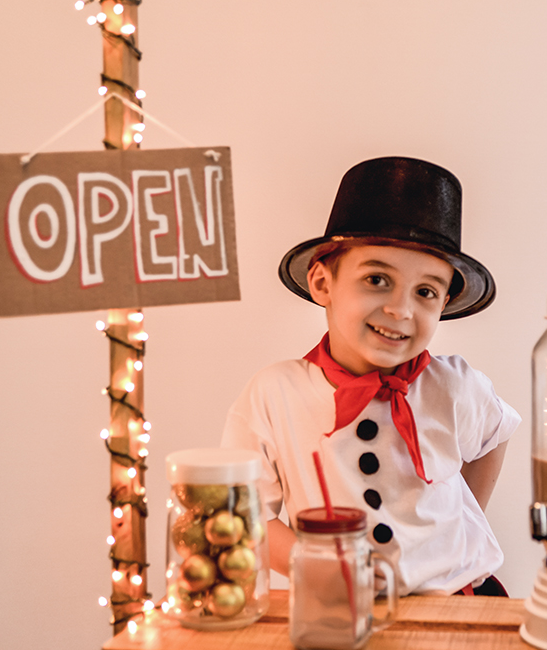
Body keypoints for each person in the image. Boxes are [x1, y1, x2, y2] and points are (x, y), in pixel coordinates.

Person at [222, 156, 520, 596]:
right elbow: (246, 515)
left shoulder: (455, 385)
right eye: (377, 279)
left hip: (462, 599)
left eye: (425, 291)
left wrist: (463, 520)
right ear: (322, 283)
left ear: (443, 304)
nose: (400, 310)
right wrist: (317, 567)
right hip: (343, 608)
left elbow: (497, 433)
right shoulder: (275, 393)